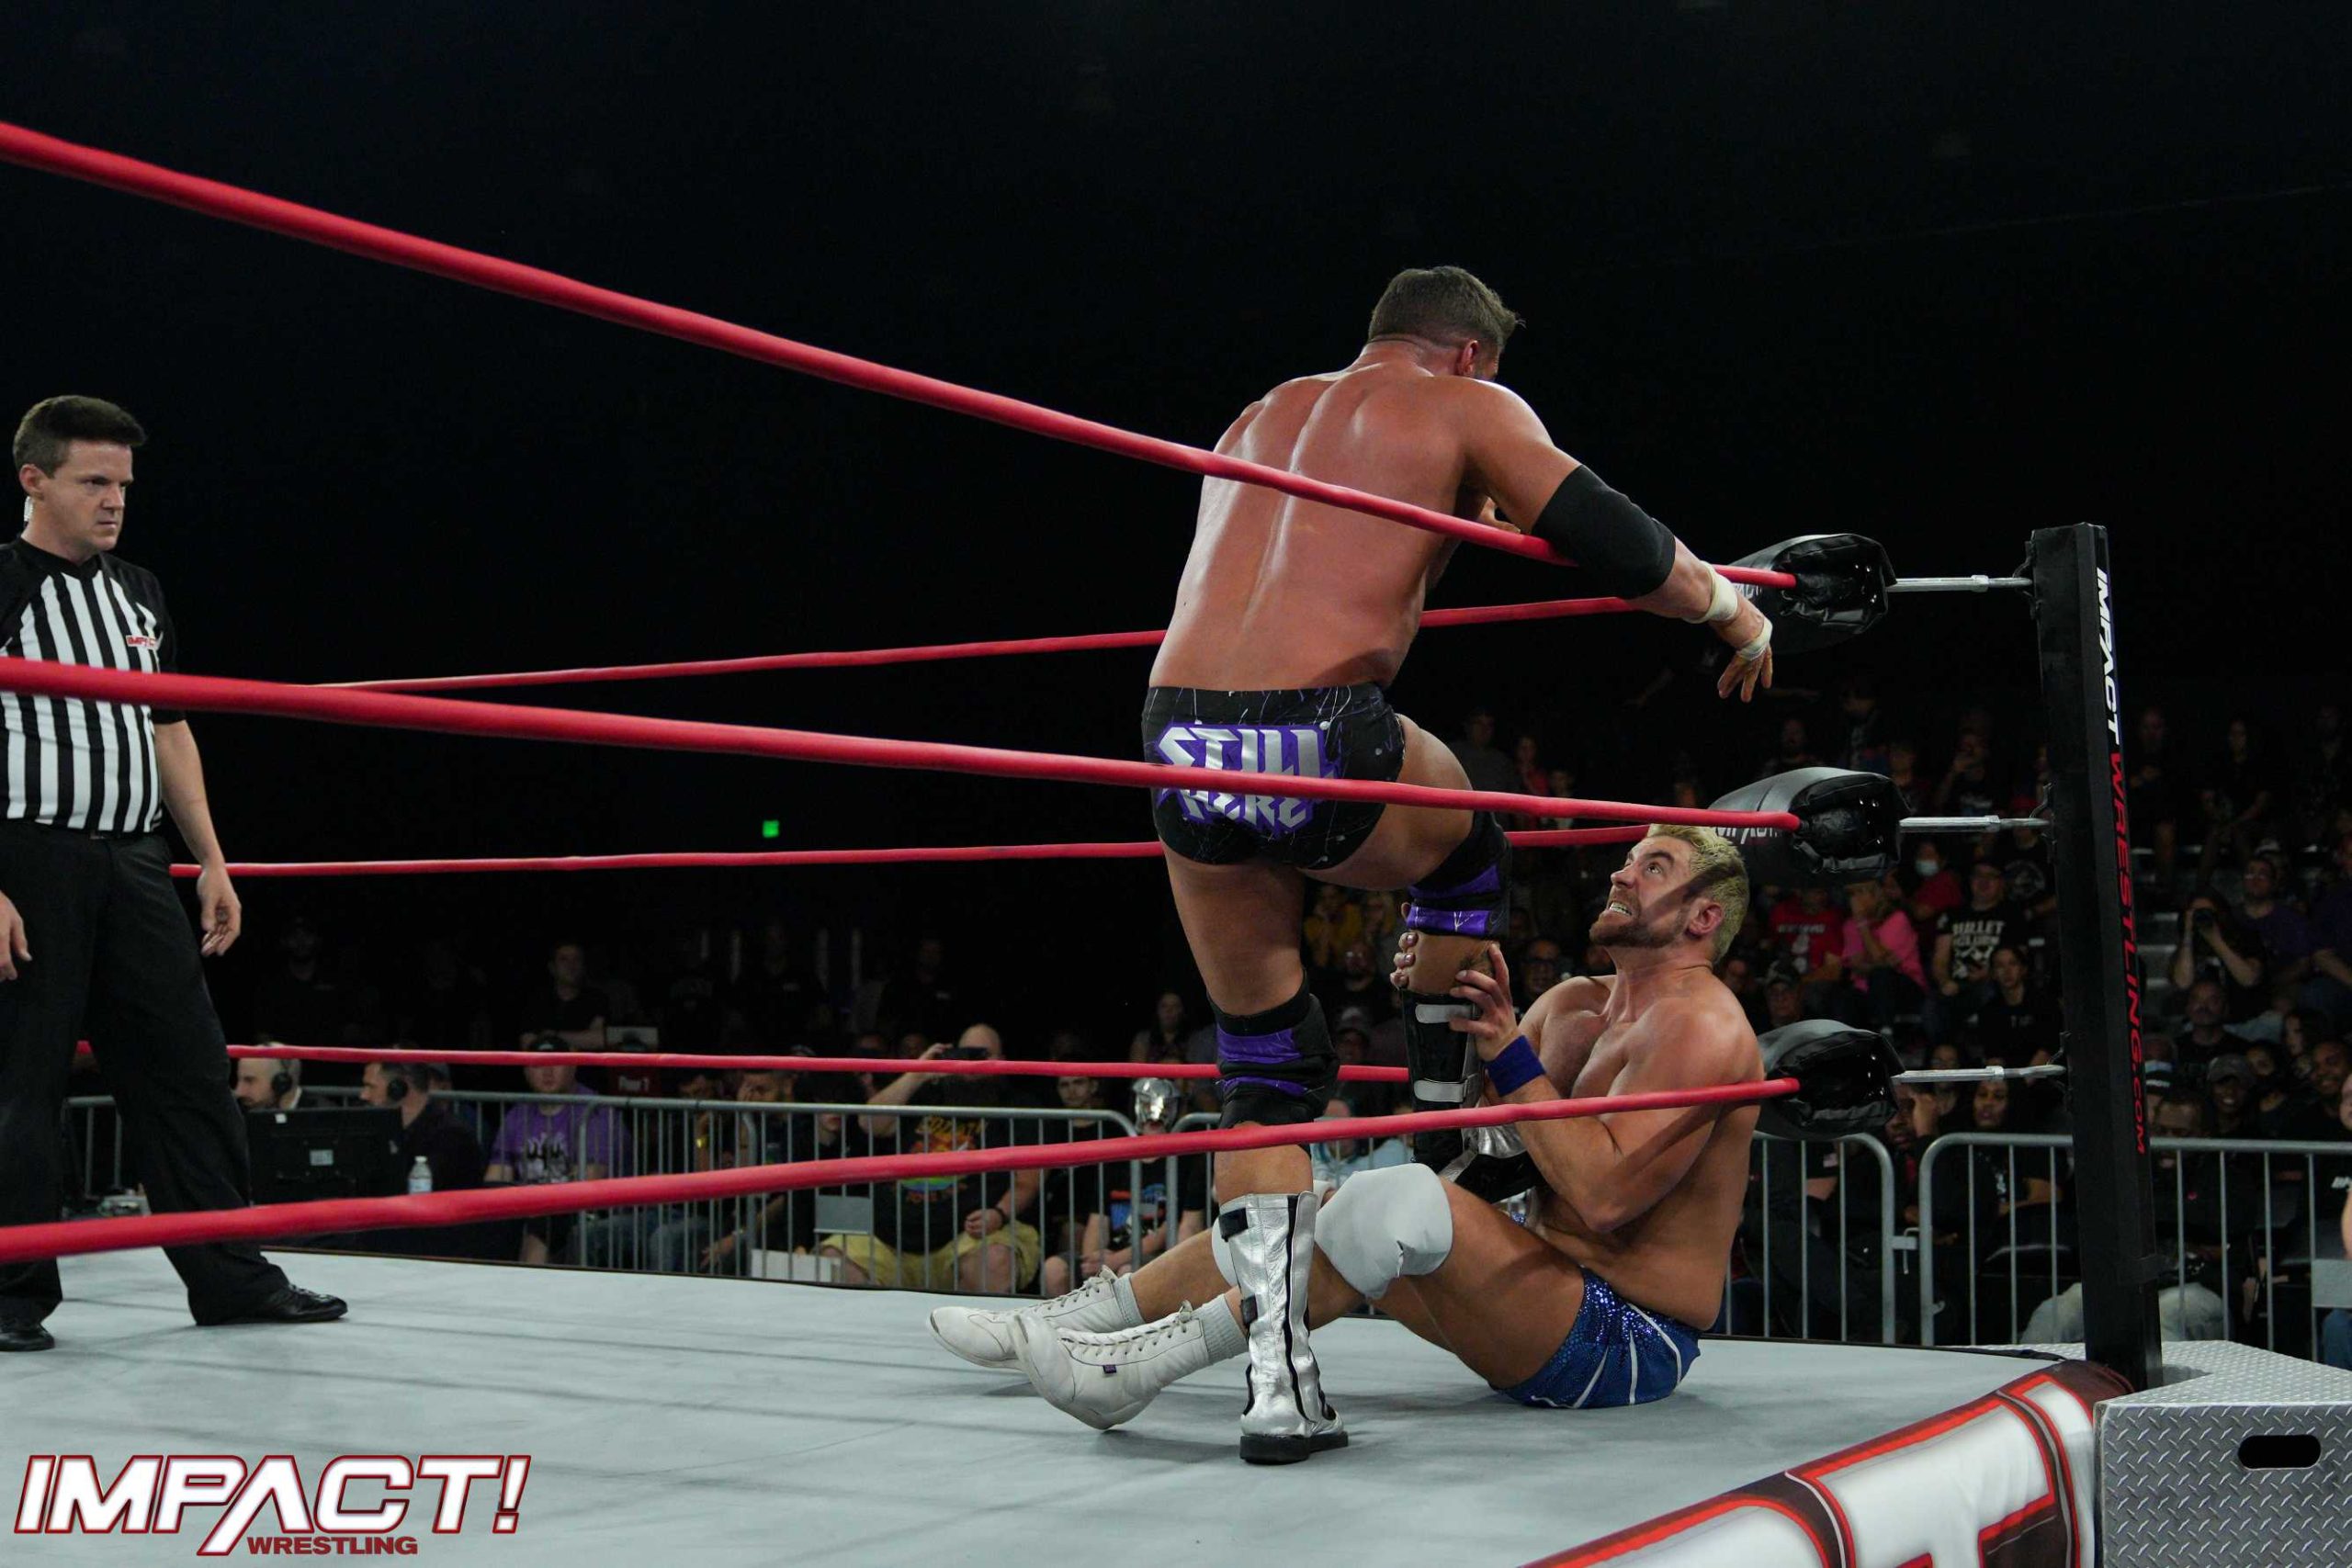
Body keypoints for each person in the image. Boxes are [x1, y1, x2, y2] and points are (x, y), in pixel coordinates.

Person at [1125, 267, 1773, 1459]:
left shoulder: (1261, 415)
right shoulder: (1467, 405)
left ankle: (1259, 1375)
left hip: (1179, 730)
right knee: (1470, 839)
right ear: (1471, 354)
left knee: (1266, 1066)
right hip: (1318, 726)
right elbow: (1615, 537)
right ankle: (1427, 1131)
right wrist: (1730, 608)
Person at [980, 827, 1763, 1461]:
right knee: (1308, 1208)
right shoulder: (1573, 1005)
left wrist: (1510, 1053)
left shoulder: (1703, 1026)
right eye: (1629, 859)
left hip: (1626, 1339)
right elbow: (1478, 1158)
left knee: (1395, 1199)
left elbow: (1604, 1194)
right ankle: (1084, 1322)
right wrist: (1436, 1014)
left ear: (1703, 917)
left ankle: (1147, 1365)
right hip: (1530, 1294)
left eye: (1654, 867)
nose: (1622, 874)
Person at [0, 395, 343, 1353]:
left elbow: (168, 725)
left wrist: (213, 859)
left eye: (123, 484)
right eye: (92, 482)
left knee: (190, 1071)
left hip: (137, 860)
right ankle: (9, 1292)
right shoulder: (2, 583)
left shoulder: (140, 592)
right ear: (34, 481)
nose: (114, 500)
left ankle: (230, 1276)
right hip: (26, 858)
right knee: (20, 1083)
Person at [484, 1043, 626, 1264]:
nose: (547, 1072)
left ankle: (529, 1282)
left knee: (545, 1222)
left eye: (556, 1063)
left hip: (586, 1211)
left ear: (573, 1067)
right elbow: (495, 1179)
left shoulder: (595, 1111)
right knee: (488, 1218)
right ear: (526, 1071)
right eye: (539, 1065)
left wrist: (534, 1201)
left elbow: (588, 1179)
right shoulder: (517, 1115)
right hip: (529, 1205)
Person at [358, 1058, 484, 1193]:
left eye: (371, 1086)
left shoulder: (451, 1136)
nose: (363, 1095)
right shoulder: (384, 1132)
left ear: (398, 1088)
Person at [231, 1053, 304, 1112]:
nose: (238, 1092)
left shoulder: (311, 1118)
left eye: (249, 1081)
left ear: (281, 1084)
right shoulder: (236, 1112)